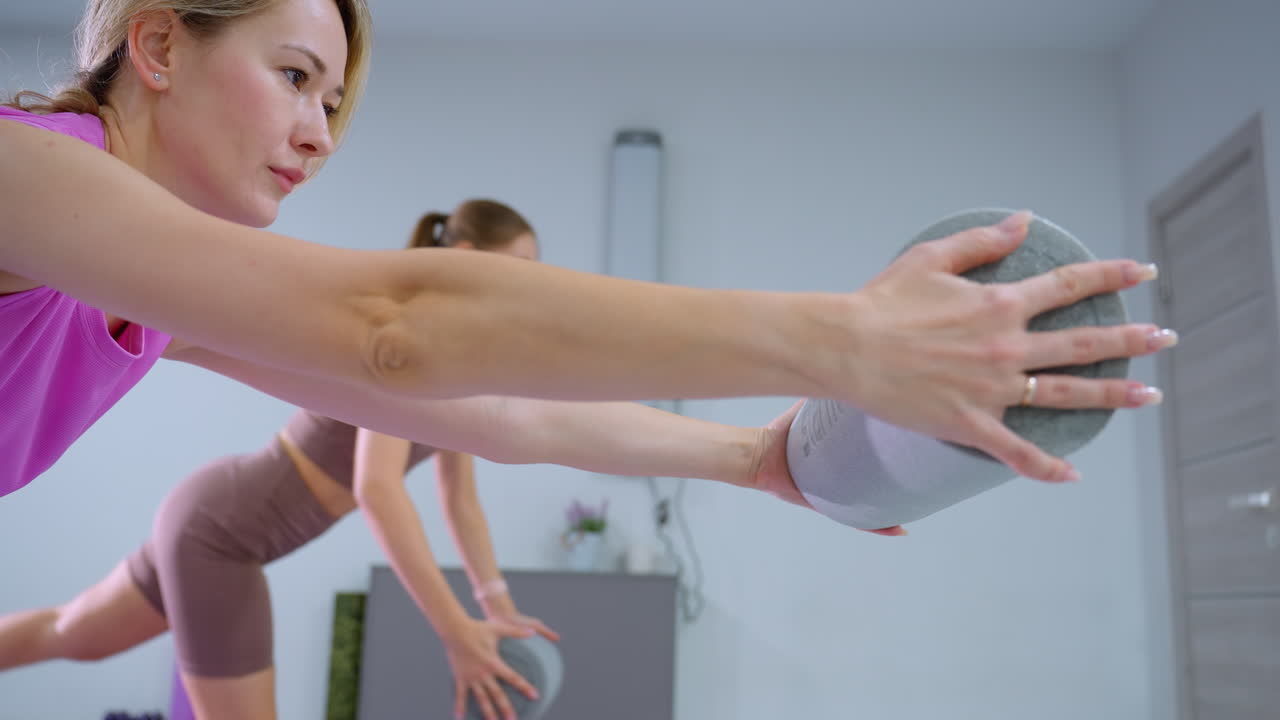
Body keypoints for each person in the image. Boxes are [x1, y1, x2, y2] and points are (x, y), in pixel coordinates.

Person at [0, 0, 1173, 504]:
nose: (318, 133)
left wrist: (753, 458)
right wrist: (846, 340)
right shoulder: (24, 173)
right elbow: (393, 329)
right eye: (295, 76)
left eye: (332, 100)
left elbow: (496, 414)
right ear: (160, 45)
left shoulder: (155, 294)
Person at [0, 201, 557, 720]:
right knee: (71, 635)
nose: (533, 284)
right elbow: (378, 488)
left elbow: (460, 499)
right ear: (468, 258)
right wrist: (455, 631)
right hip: (222, 537)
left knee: (70, 635)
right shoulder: (409, 339)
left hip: (211, 517)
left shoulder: (458, 366)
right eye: (522, 267)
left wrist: (497, 606)